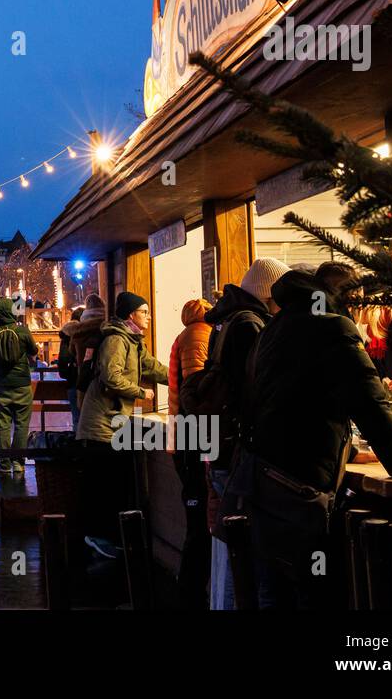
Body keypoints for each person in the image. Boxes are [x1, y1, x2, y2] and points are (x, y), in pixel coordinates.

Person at [225, 269, 392, 609]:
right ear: (347, 296)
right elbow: (371, 410)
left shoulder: (275, 327)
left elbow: (291, 405)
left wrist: (350, 450)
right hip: (298, 491)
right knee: (316, 594)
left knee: (275, 593)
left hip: (261, 484)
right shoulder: (332, 328)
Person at [202, 256, 288, 608]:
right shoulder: (251, 325)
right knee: (245, 553)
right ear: (269, 294)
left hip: (220, 443)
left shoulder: (225, 322)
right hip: (238, 448)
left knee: (229, 546)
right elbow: (256, 388)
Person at [76, 292, 163, 556]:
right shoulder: (116, 340)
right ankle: (98, 537)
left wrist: (179, 375)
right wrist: (140, 392)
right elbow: (110, 376)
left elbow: (151, 367)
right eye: (144, 312)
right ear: (130, 315)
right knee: (106, 485)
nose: (148, 316)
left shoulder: (133, 341)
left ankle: (109, 538)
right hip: (100, 426)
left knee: (114, 483)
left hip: (113, 425)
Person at [167, 297, 212, 610]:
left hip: (184, 435)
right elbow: (196, 389)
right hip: (193, 437)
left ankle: (191, 592)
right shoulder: (200, 334)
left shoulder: (188, 334)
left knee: (196, 518)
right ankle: (192, 596)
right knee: (199, 523)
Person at [0, 297, 38, 477]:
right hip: (22, 384)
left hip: (0, 385)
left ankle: (4, 463)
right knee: (22, 425)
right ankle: (19, 462)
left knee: (3, 425)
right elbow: (34, 351)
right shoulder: (22, 331)